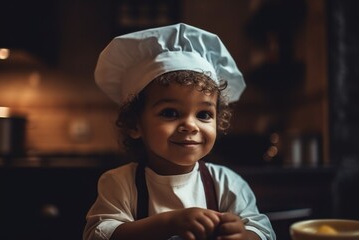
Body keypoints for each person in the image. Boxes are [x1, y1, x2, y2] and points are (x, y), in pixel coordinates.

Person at [83, 23, 276, 240]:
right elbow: (99, 234)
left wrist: (243, 235)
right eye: (170, 112)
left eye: (203, 114)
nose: (191, 125)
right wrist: (169, 222)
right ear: (134, 124)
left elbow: (263, 231)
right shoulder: (119, 183)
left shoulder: (227, 183)